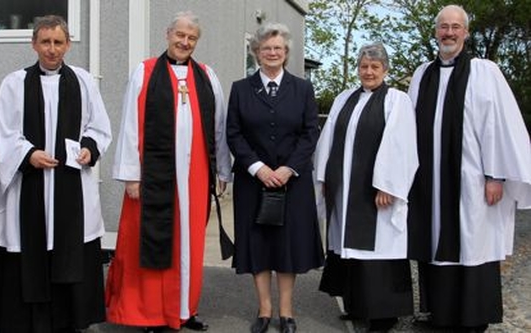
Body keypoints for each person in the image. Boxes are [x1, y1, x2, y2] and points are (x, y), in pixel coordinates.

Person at [0, 15, 112, 332]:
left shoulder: (83, 81)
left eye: (58, 42)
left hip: (71, 185)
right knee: (30, 248)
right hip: (30, 185)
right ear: (34, 43)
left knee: (69, 247)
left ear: (68, 44)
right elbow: (4, 131)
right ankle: (26, 322)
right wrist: (28, 154)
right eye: (46, 42)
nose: (52, 49)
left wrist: (90, 148)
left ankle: (68, 321)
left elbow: (99, 126)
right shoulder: (15, 82)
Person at [105, 11, 232, 333]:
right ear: (168, 34)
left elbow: (218, 127)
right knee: (152, 242)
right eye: (180, 35)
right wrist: (131, 174)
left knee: (190, 244)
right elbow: (130, 125)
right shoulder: (145, 72)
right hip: (153, 175)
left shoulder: (207, 76)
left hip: (196, 174)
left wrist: (222, 170)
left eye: (191, 38)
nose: (185, 42)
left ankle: (186, 309)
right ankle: (152, 314)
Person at [407, 5, 531, 332]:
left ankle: (474, 318)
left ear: (466, 32)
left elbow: (498, 126)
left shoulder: (484, 71)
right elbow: (406, 126)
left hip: (472, 179)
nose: (448, 33)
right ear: (436, 31)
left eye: (455, 27)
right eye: (443, 27)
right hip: (430, 181)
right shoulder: (423, 73)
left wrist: (495, 175)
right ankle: (440, 313)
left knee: (472, 243)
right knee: (435, 242)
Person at [226, 22, 324, 333]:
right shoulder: (241, 89)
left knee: (287, 246)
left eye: (278, 48)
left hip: (292, 182)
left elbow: (310, 133)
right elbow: (234, 133)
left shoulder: (303, 88)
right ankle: (265, 311)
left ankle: (287, 312)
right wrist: (258, 168)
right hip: (252, 181)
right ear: (256, 52)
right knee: (258, 245)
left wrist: (287, 168)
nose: (272, 52)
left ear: (286, 53)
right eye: (266, 48)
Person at [314, 42, 418, 332]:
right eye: (363, 66)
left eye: (374, 67)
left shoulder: (396, 100)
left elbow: (400, 144)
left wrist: (388, 185)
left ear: (385, 69)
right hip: (345, 190)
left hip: (375, 193)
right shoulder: (344, 98)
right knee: (349, 249)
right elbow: (328, 139)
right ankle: (357, 304)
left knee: (378, 249)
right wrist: (324, 177)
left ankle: (384, 314)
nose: (368, 71)